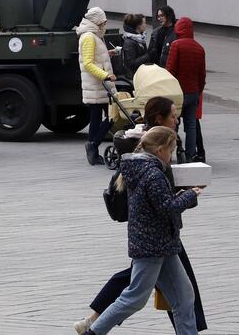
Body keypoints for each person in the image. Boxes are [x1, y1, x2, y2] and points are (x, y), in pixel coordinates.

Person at [74, 97, 206, 334]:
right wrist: (191, 194)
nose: (172, 156)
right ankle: (93, 331)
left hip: (162, 244)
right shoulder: (153, 174)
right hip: (152, 246)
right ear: (160, 150)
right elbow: (166, 207)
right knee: (134, 298)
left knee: (185, 297)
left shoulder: (143, 167)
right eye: (171, 151)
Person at [76, 7, 117, 165]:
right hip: (97, 84)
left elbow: (93, 57)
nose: (104, 24)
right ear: (97, 21)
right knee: (112, 116)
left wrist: (108, 53)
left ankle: (93, 148)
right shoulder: (88, 37)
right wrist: (105, 75)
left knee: (97, 118)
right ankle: (93, 145)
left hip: (98, 85)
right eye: (103, 21)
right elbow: (87, 63)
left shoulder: (92, 35)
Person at [166, 17, 206, 161]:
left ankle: (170, 153)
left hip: (178, 93)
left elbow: (170, 71)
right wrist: (198, 90)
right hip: (193, 92)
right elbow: (202, 75)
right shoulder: (199, 48)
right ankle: (190, 155)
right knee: (191, 125)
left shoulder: (176, 45)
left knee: (172, 124)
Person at [121, 14, 152, 81]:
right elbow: (131, 63)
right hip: (134, 77)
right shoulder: (129, 42)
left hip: (141, 74)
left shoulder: (140, 38)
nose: (146, 25)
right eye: (144, 23)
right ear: (138, 25)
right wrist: (148, 55)